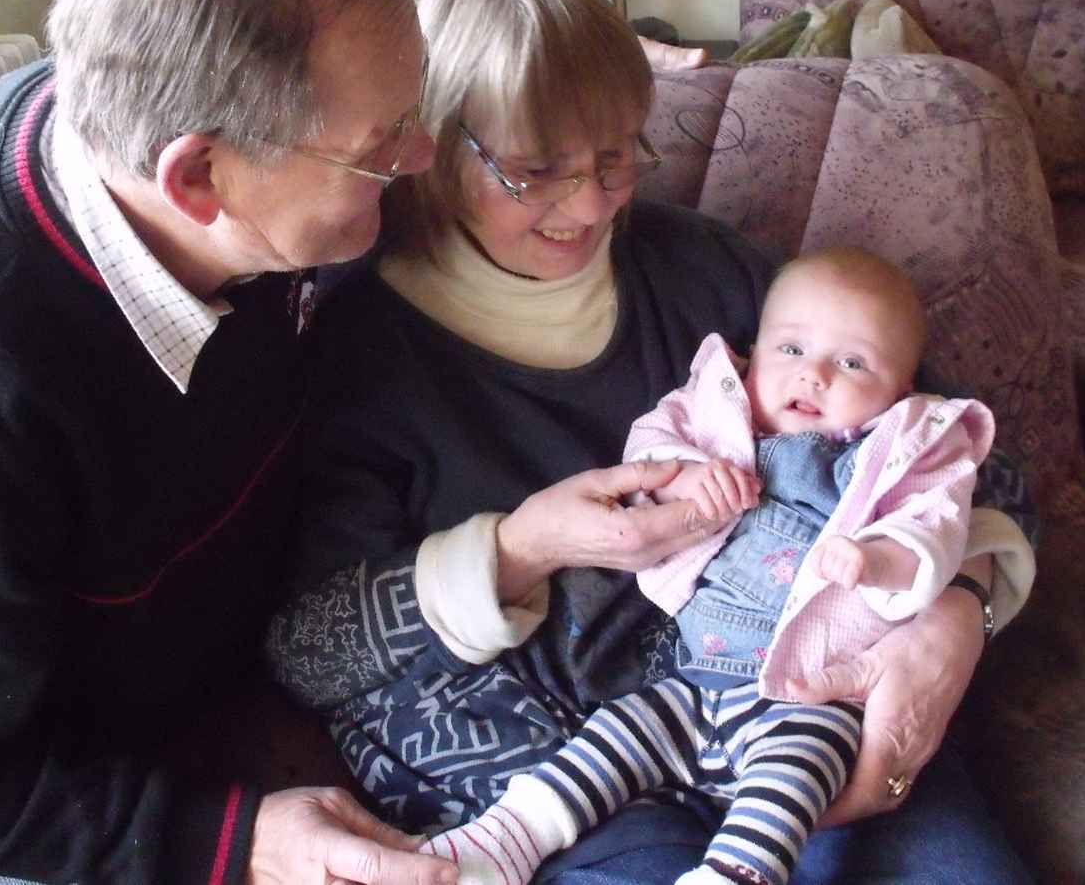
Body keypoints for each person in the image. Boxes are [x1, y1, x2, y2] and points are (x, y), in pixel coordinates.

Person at [0, 0, 731, 885]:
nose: (422, 158)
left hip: (251, 682)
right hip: (72, 799)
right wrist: (228, 842)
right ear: (198, 177)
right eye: (379, 147)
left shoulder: (208, 141)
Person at [269, 0, 1038, 884]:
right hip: (549, 766)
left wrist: (959, 612)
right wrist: (520, 548)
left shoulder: (707, 270)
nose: (591, 206)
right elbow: (308, 652)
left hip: (805, 706)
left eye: (615, 155)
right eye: (534, 169)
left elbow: (968, 454)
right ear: (428, 146)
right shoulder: (357, 348)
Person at [416, 248, 1003, 885]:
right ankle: (504, 840)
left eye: (852, 363)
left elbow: (935, 527)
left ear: (902, 392)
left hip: (808, 693)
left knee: (796, 772)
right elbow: (649, 447)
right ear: (754, 354)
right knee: (616, 733)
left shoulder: (901, 453)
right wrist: (682, 479)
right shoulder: (713, 406)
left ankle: (736, 872)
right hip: (692, 677)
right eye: (791, 349)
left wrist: (877, 558)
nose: (813, 376)